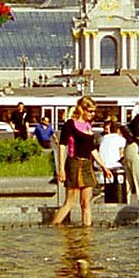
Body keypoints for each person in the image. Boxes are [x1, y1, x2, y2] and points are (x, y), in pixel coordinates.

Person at [51, 96, 113, 227]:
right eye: (90, 111)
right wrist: (61, 169)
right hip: (74, 163)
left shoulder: (88, 126)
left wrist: (104, 167)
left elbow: (92, 149)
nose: (92, 114)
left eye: (94, 111)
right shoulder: (70, 124)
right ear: (82, 109)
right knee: (70, 202)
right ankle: (54, 226)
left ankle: (87, 232)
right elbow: (62, 146)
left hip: (87, 165)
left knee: (86, 203)